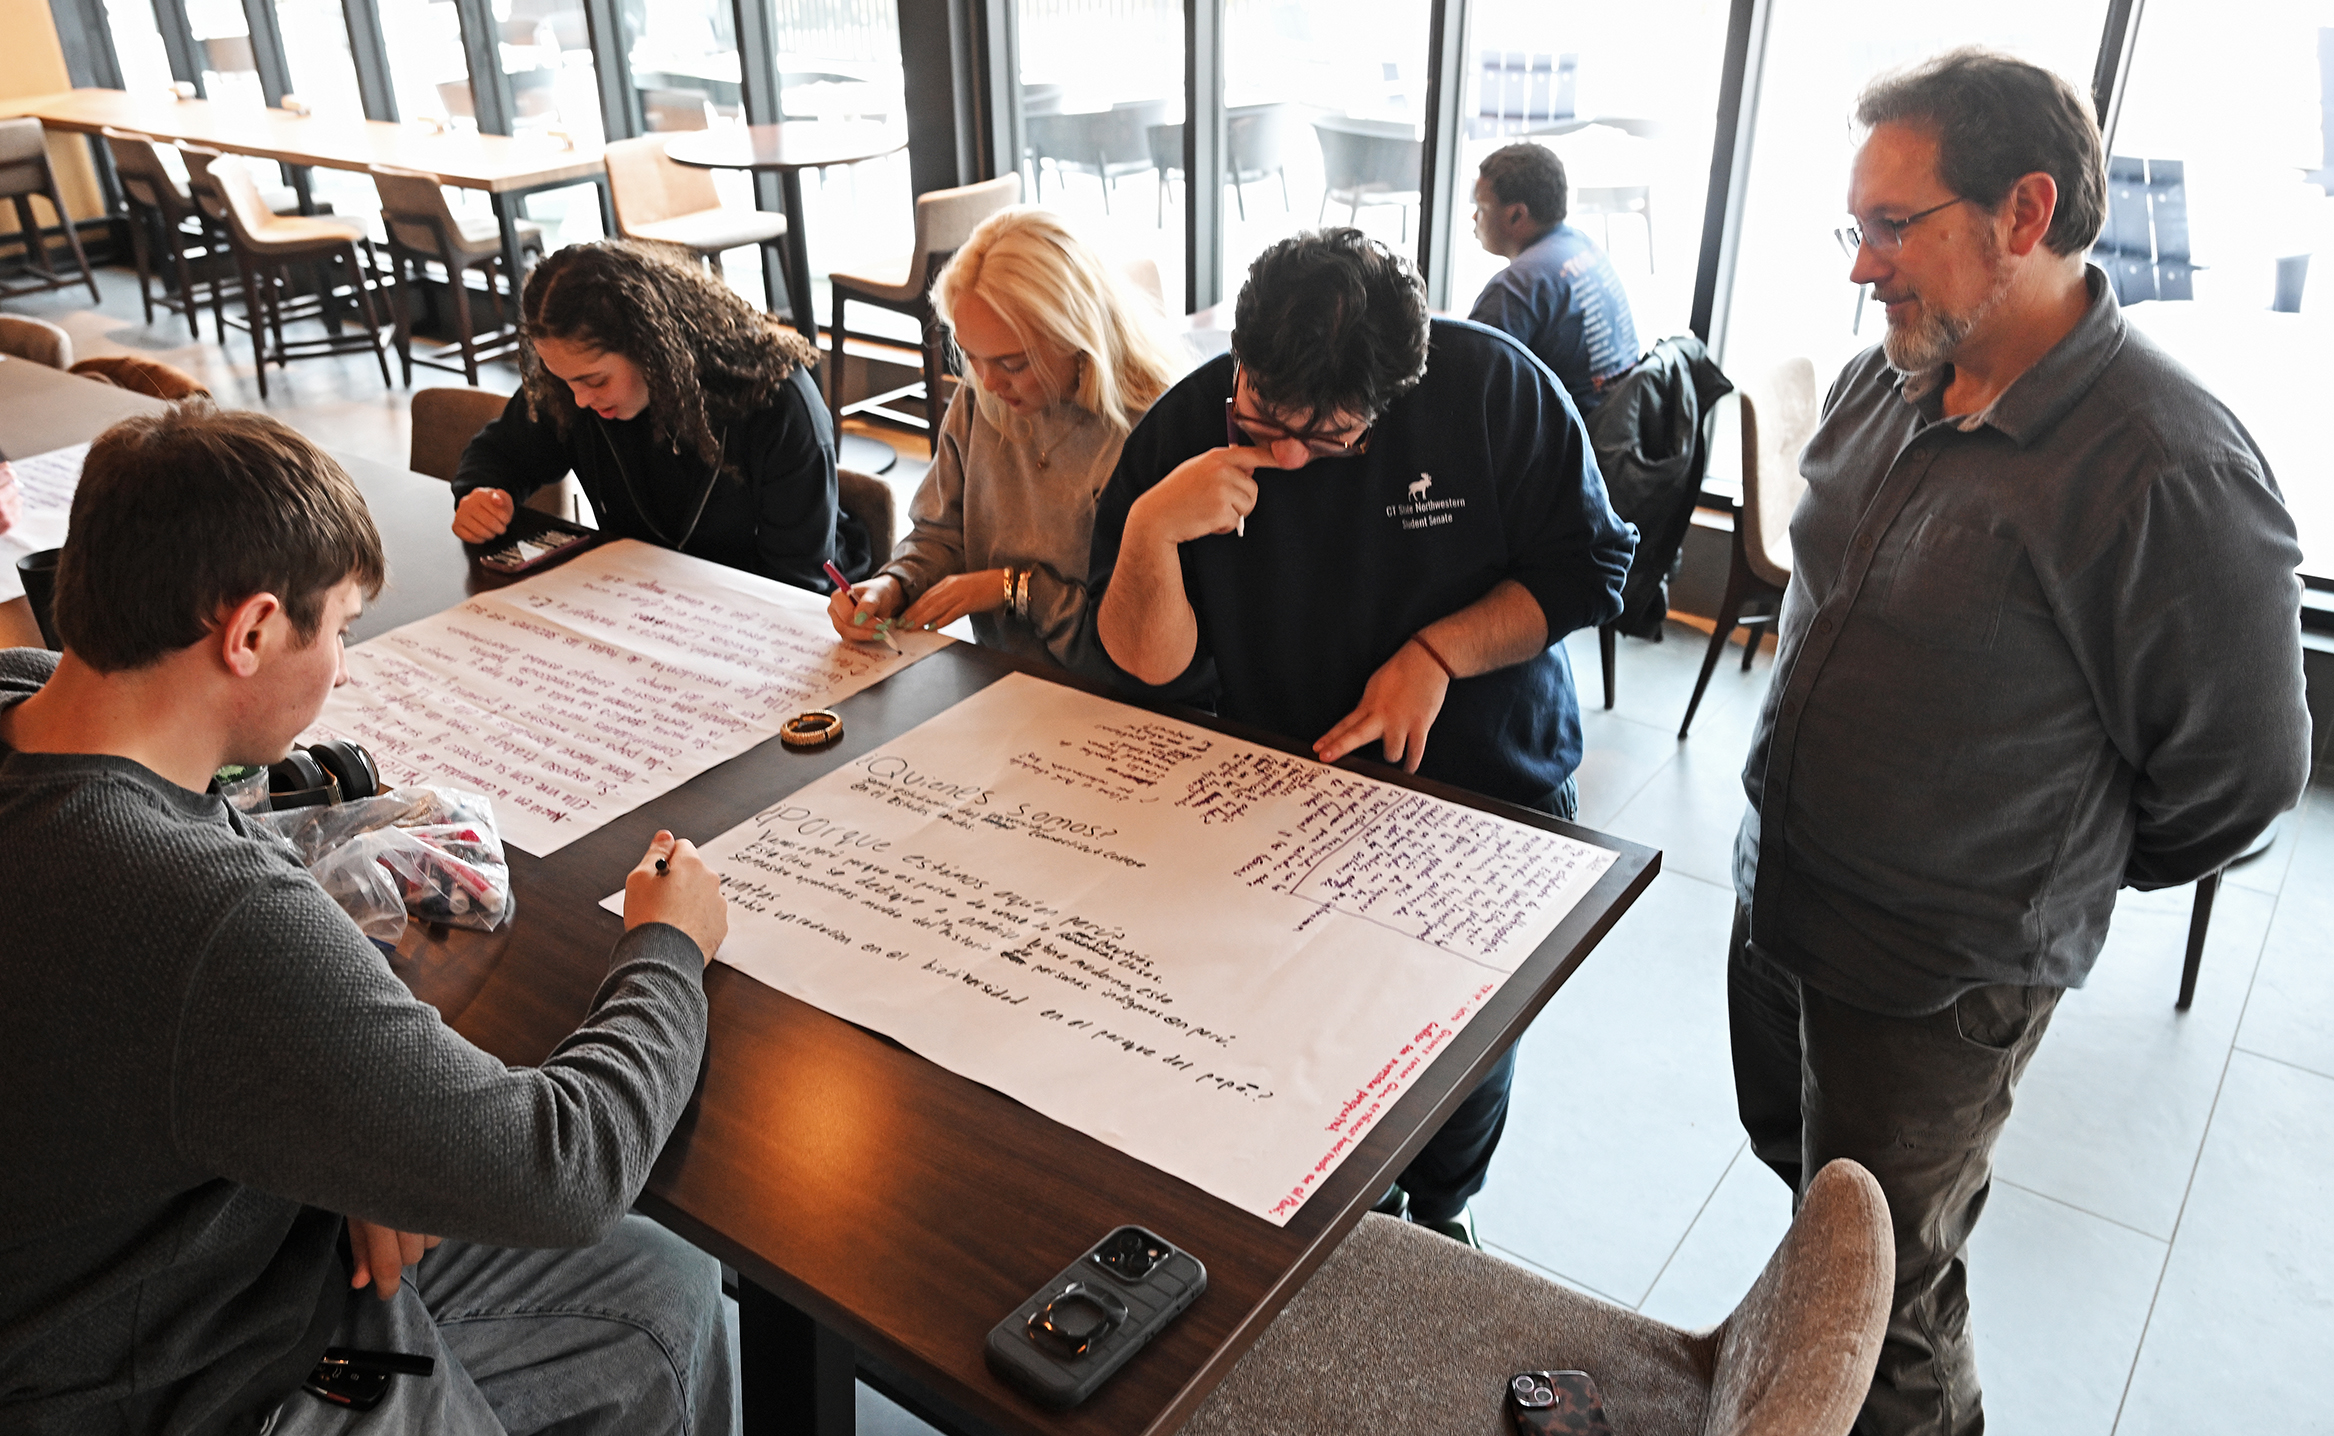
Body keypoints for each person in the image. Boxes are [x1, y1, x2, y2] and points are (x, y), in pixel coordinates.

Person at [1728, 49, 2310, 1436]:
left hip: (1937, 974)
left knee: (1890, 1298)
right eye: (1850, 228)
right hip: (1782, 895)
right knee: (1809, 1205)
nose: (1862, 267)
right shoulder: (1897, 376)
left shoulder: (2167, 469)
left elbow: (2238, 780)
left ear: (2024, 213)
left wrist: (2029, 869)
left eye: (1891, 226)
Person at [0, 403, 737, 1435]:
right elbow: (565, 1167)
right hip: (183, 1369)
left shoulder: (28, 694)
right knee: (645, 1287)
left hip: (129, 1243)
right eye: (339, 626)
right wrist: (667, 944)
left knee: (658, 1285)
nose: (343, 665)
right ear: (250, 630)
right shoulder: (201, 914)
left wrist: (355, 1137)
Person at [1089, 228, 1635, 1246]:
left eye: (1328, 437)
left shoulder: (1490, 390)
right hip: (1284, 794)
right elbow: (1138, 660)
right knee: (1293, 1044)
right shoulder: (1183, 429)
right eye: (1262, 418)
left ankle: (1440, 1216)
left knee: (1460, 1046)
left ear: (1397, 392)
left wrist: (1438, 654)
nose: (1289, 452)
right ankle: (1334, 1216)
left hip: (1479, 783)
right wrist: (1151, 533)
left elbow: (1587, 571)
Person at [826, 207, 1182, 673]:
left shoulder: (1153, 430)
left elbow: (1134, 646)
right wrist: (892, 585)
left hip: (1112, 698)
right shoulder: (981, 400)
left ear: (1076, 337)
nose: (988, 383)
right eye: (972, 357)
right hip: (1000, 680)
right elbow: (941, 533)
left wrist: (1013, 589)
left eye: (1012, 364)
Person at [451, 240, 868, 592]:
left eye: (594, 381)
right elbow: (501, 453)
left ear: (650, 349)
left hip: (757, 612)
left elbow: (794, 581)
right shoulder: (570, 388)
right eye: (565, 381)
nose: (578, 400)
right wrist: (485, 494)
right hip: (645, 598)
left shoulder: (775, 402)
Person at [1468, 142, 1639, 417]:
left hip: (1565, 441)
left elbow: (1465, 386)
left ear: (1517, 215)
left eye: (1482, 206)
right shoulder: (1582, 246)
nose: (1474, 216)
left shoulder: (1515, 288)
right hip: (1617, 423)